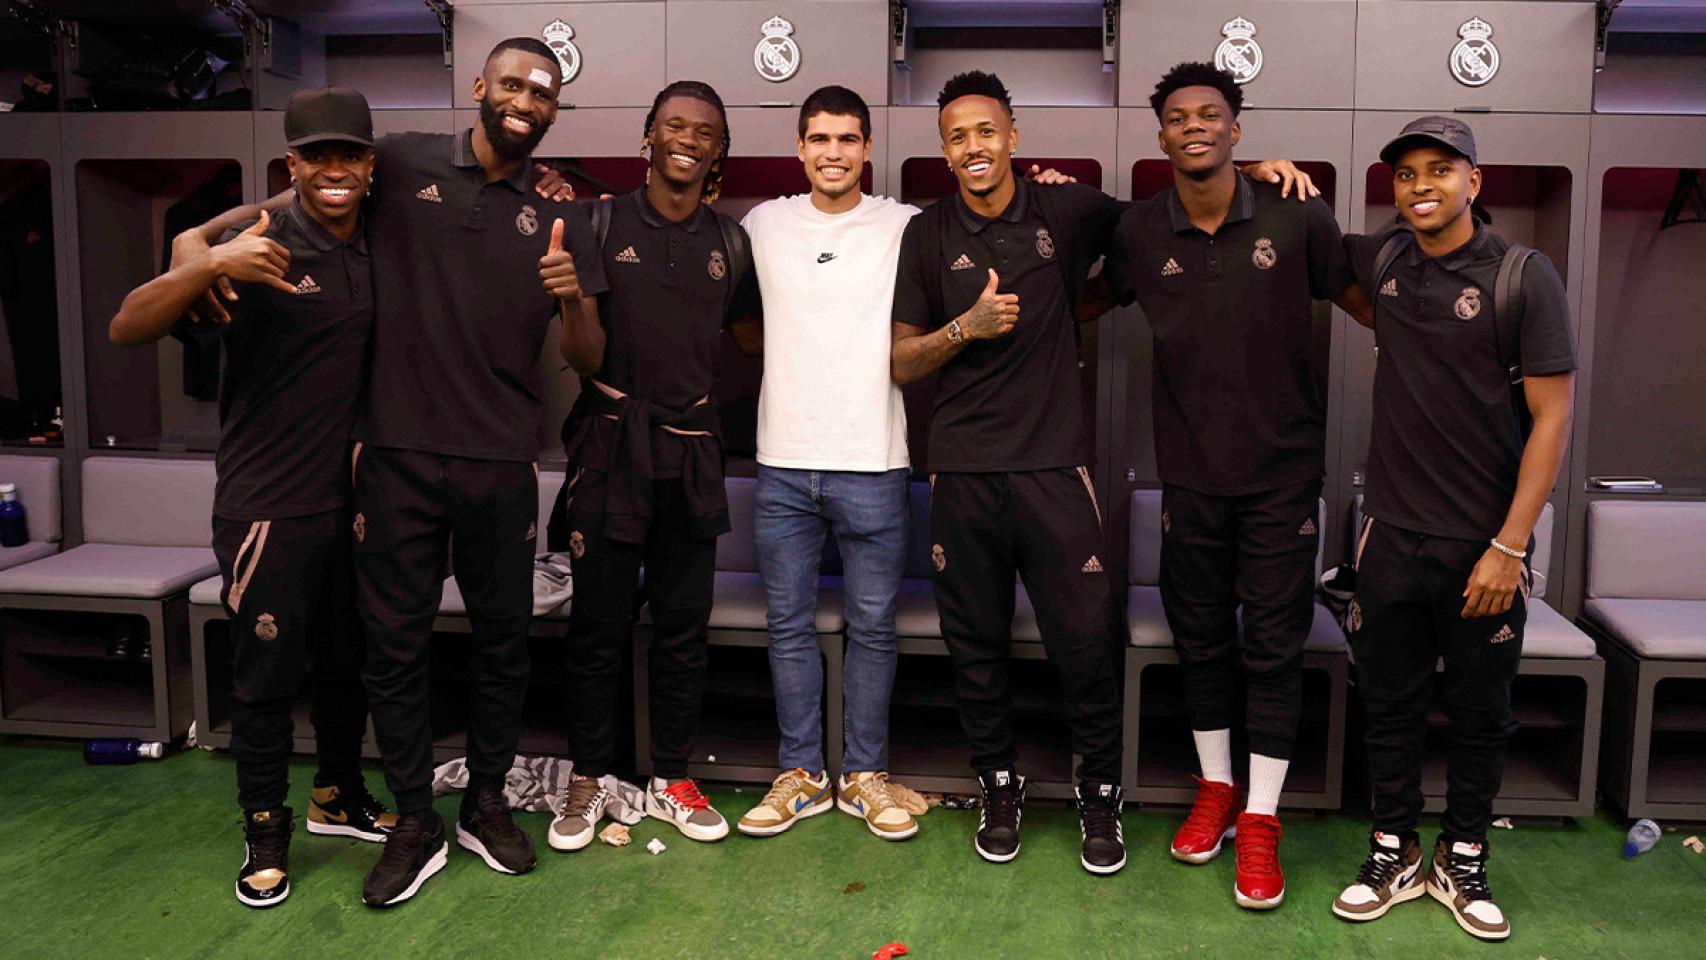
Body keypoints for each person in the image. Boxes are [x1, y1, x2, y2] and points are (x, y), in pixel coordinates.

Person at [176, 38, 608, 907]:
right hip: (397, 458)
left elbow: (588, 354)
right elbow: (309, 187)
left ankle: (485, 802)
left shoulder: (567, 210)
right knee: (395, 649)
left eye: (544, 92)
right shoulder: (400, 161)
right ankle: (415, 819)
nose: (526, 99)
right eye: (514, 83)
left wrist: (571, 293)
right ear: (479, 87)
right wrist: (199, 238)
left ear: (556, 110)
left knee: (502, 644)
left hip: (500, 459)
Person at [1092, 62, 1368, 910]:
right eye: (1178, 117)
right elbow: (1071, 288)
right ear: (1162, 135)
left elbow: (1370, 299)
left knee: (1274, 649)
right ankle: (1215, 788)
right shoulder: (1140, 232)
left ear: (1237, 130)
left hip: (1282, 481)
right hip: (1190, 482)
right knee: (1202, 639)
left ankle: (1260, 817)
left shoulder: (1294, 212)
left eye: (1211, 115)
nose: (1194, 127)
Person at [108, 87, 393, 909]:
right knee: (267, 678)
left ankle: (337, 795)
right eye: (317, 156)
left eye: (351, 155)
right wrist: (203, 259)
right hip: (270, 504)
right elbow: (127, 327)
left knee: (348, 666)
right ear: (292, 164)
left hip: (356, 504)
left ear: (369, 165)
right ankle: (265, 833)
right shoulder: (252, 246)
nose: (335, 169)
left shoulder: (376, 241)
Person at [1331, 116, 1574, 943]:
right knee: (1390, 704)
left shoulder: (1521, 276)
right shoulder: (1387, 259)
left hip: (1485, 544)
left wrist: (1510, 546)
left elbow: (1552, 419)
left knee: (1480, 712)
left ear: (1476, 180)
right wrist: (1276, 174)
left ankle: (1462, 856)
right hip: (1392, 534)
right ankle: (1393, 851)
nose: (1420, 185)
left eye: (1440, 170)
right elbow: (1324, 266)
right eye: (1404, 175)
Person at [889, 70, 1130, 875]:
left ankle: (1099, 794)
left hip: (1055, 468)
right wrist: (968, 325)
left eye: (986, 132)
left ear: (1014, 137)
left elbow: (1164, 234)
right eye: (957, 136)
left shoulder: (1066, 209)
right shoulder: (926, 232)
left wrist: (1266, 174)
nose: (973, 148)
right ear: (944, 150)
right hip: (963, 470)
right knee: (976, 647)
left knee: (1086, 644)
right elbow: (901, 360)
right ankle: (998, 784)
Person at [545, 80, 761, 853]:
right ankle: (588, 778)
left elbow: (753, 342)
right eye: (674, 126)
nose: (688, 139)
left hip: (693, 452)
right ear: (648, 139)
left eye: (705, 131)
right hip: (610, 447)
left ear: (717, 152)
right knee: (597, 630)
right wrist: (572, 299)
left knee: (682, 629)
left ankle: (671, 776)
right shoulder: (602, 225)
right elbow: (584, 356)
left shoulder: (731, 244)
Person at [732, 85, 920, 841]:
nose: (834, 152)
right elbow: (742, 319)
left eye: (848, 139)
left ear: (867, 148)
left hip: (874, 460)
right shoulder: (764, 223)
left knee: (874, 625)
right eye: (820, 138)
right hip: (782, 461)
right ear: (800, 147)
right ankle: (803, 775)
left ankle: (866, 776)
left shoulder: (906, 224)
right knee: (788, 625)